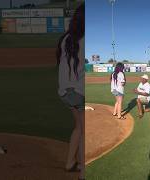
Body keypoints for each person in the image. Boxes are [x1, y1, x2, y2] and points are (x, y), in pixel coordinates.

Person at [56, 2, 85, 180]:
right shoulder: (87, 39)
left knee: (79, 128)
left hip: (64, 92)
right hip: (79, 93)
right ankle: (83, 171)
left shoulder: (66, 38)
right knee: (86, 132)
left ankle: (69, 163)